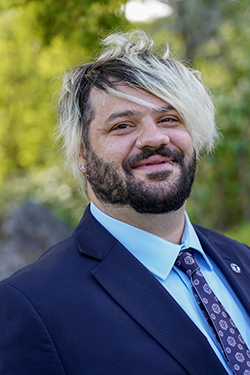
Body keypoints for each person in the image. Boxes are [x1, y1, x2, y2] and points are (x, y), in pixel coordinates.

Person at [0, 30, 250, 375]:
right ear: (83, 154)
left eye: (169, 119)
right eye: (123, 125)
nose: (154, 138)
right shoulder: (29, 306)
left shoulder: (243, 259)